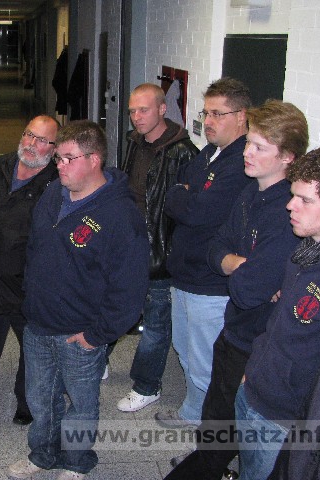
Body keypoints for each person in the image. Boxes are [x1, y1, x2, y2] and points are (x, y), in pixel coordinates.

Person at [165, 100, 308, 479]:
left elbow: (247, 289)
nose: (247, 152)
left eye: (260, 147)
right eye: (249, 143)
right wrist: (242, 265)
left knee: (241, 431)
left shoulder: (286, 213)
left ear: (288, 157)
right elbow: (216, 249)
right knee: (217, 417)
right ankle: (211, 464)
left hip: (257, 340)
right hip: (235, 328)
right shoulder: (250, 192)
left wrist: (240, 269)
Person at [7, 121, 150, 480]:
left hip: (80, 333)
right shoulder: (53, 193)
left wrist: (97, 335)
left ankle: (76, 462)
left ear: (94, 160)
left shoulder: (120, 215)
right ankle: (42, 455)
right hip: (38, 323)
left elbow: (130, 289)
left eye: (68, 158)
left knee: (81, 405)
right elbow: (34, 249)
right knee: (40, 400)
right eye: (58, 158)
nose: (59, 165)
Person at [235, 145, 320, 480]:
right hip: (254, 388)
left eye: (305, 200)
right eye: (293, 195)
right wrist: (253, 369)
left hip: (285, 417)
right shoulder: (306, 248)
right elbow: (282, 321)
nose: (290, 206)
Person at [159, 78, 252, 426]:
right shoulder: (209, 153)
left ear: (241, 116)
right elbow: (175, 194)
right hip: (185, 273)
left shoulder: (240, 163)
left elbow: (196, 211)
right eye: (206, 113)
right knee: (185, 350)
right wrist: (183, 194)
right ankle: (194, 411)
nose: (208, 122)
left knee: (206, 362)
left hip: (209, 282)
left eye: (217, 114)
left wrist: (184, 195)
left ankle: (212, 430)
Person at [0, 115, 59, 425]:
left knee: (31, 348)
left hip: (27, 282)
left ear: (54, 149)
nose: (31, 144)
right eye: (29, 135)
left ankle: (26, 399)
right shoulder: (0, 166)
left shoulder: (56, 184)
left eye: (41, 140)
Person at [116, 83, 199, 413]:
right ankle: (98, 360)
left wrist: (172, 252)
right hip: (129, 244)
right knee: (116, 305)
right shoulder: (134, 142)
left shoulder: (184, 153)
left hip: (160, 252)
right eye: (132, 111)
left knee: (155, 324)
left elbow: (187, 211)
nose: (136, 117)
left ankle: (147, 385)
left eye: (144, 110)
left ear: (163, 109)